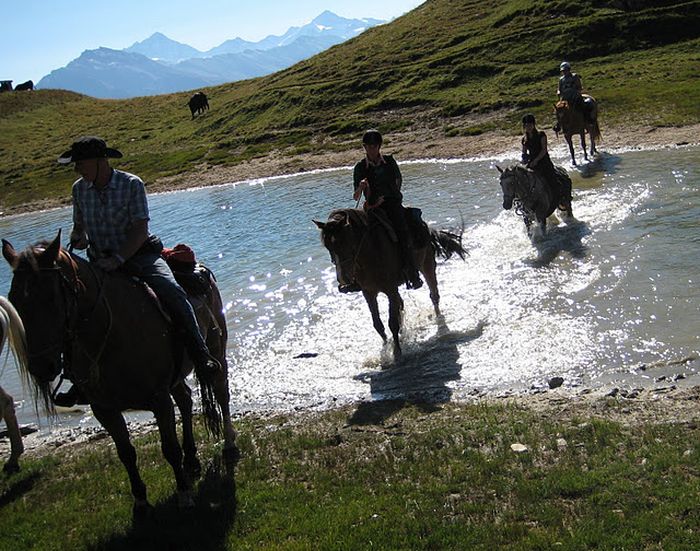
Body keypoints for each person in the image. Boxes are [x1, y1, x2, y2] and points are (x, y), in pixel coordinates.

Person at [53, 136, 220, 406]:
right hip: (99, 261)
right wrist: (79, 237)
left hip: (140, 256)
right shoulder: (79, 189)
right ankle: (77, 377)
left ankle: (202, 356)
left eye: (80, 163)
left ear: (99, 161)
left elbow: (140, 230)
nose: (77, 169)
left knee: (173, 292)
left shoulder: (131, 184)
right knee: (70, 306)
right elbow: (79, 227)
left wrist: (118, 259)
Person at [348, 129, 422, 292]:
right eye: (369, 146)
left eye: (375, 146)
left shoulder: (389, 162)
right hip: (372, 207)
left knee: (402, 231)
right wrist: (361, 188)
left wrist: (389, 197)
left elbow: (398, 181)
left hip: (391, 204)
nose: (372, 149)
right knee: (356, 238)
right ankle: (355, 277)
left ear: (379, 146)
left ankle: (412, 272)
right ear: (364, 147)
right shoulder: (360, 167)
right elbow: (355, 197)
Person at [556, 61, 593, 128]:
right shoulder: (561, 80)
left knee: (583, 106)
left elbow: (579, 86)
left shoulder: (574, 76)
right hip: (565, 99)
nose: (565, 72)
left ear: (569, 69)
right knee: (559, 110)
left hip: (575, 97)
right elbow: (559, 89)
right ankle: (559, 124)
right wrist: (559, 93)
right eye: (563, 71)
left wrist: (577, 92)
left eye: (566, 70)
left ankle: (588, 120)